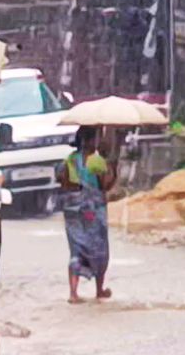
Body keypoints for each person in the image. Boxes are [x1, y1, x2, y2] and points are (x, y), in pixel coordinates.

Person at [57, 125, 115, 304]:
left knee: (76, 249)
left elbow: (63, 182)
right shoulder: (96, 161)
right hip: (94, 210)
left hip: (73, 211)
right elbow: (105, 185)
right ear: (91, 140)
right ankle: (99, 290)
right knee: (99, 249)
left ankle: (73, 293)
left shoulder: (70, 159)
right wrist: (111, 165)